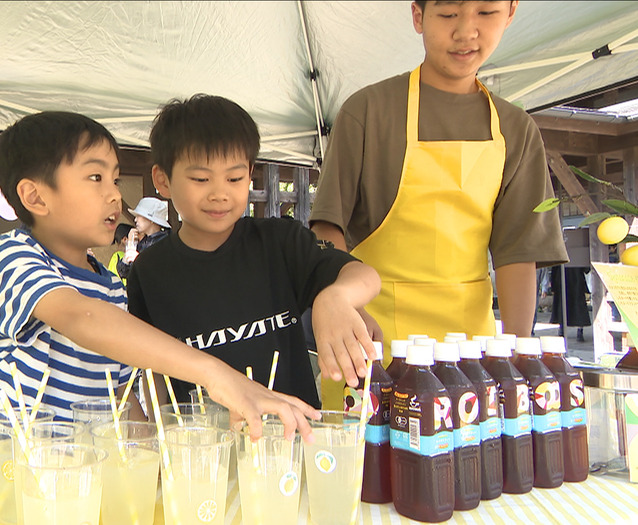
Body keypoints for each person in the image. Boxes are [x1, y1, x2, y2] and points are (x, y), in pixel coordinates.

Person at [0, 111, 319, 488]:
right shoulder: (12, 256)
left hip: (64, 486)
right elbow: (83, 319)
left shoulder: (113, 288)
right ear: (35, 197)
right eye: (96, 177)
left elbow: (120, 399)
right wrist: (217, 375)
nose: (115, 194)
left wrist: (162, 462)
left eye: (115, 179)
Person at [309, 0, 567, 349]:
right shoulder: (368, 111)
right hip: (371, 335)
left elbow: (518, 252)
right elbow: (327, 226)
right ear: (418, 16)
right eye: (448, 14)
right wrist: (345, 305)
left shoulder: (516, 129)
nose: (466, 31)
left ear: (510, 14)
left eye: (486, 13)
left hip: (472, 349)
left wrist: (517, 352)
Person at [126, 94, 381, 411]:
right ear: (163, 180)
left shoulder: (278, 242)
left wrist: (336, 297)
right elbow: (152, 369)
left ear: (250, 175)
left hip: (290, 440)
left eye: (234, 178)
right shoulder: (150, 271)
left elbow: (363, 275)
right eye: (201, 179)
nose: (220, 194)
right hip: (204, 448)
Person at [115, 196, 171, 280]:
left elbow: (162, 274)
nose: (135, 220)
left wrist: (139, 259)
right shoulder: (143, 242)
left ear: (151, 219)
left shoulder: (166, 243)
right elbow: (123, 272)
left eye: (139, 215)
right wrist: (131, 244)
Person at [549, 266, 591, 341]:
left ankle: (562, 328)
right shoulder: (578, 253)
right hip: (576, 279)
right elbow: (586, 269)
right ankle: (579, 331)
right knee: (578, 306)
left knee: (562, 305)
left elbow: (555, 267)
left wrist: (553, 284)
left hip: (562, 278)